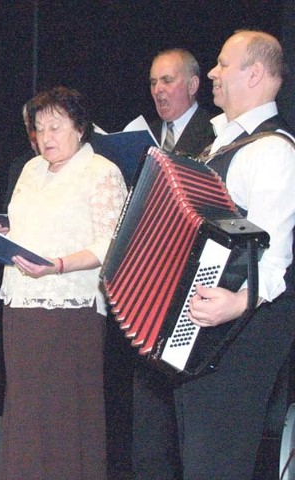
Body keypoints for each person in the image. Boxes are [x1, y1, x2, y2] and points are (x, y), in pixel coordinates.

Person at [0, 86, 128, 479]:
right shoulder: (30, 169)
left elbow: (111, 244)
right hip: (20, 302)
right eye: (39, 128)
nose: (46, 137)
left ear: (80, 127)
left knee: (64, 406)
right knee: (25, 404)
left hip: (69, 307)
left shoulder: (102, 172)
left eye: (55, 127)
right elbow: (22, 231)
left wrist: (57, 265)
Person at [174, 30, 295, 479]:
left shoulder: (272, 151)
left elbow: (276, 257)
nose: (212, 73)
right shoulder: (220, 142)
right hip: (211, 328)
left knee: (218, 461)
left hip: (243, 331)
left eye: (223, 63)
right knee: (200, 457)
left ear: (256, 73)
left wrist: (240, 302)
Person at [131, 48, 216, 480]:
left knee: (187, 420)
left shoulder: (216, 134)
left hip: (195, 285)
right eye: (153, 83)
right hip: (147, 284)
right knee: (149, 415)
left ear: (194, 84)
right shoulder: (146, 137)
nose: (159, 91)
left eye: (167, 80)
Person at [149, 48, 215, 157]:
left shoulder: (214, 131)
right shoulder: (145, 135)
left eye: (167, 81)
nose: (157, 90)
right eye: (153, 82)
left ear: (192, 86)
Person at [3, 101, 39, 210]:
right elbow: (8, 212)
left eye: (54, 127)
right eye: (30, 126)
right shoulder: (21, 165)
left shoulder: (87, 170)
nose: (34, 132)